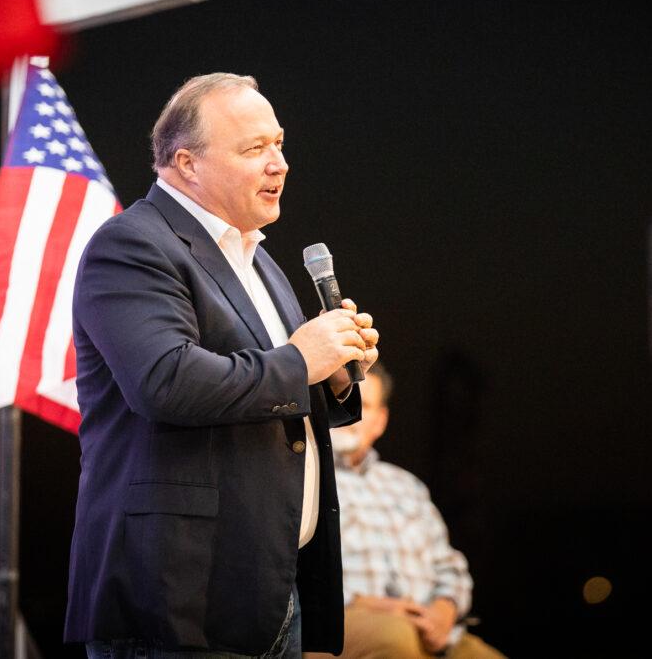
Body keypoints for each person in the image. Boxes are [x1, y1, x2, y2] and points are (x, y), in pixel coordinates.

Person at [64, 73, 380, 658]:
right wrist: (301, 358)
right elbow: (166, 382)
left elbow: (273, 389)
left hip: (266, 592)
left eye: (279, 144)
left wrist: (331, 375)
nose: (279, 164)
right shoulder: (132, 245)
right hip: (177, 600)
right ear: (187, 163)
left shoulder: (261, 262)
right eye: (254, 148)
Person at [311, 367, 504, 659]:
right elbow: (292, 570)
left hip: (428, 629)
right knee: (396, 641)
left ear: (380, 421)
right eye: (341, 401)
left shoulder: (407, 486)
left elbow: (450, 566)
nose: (349, 417)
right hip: (345, 621)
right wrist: (369, 605)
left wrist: (444, 610)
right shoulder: (306, 479)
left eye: (362, 406)